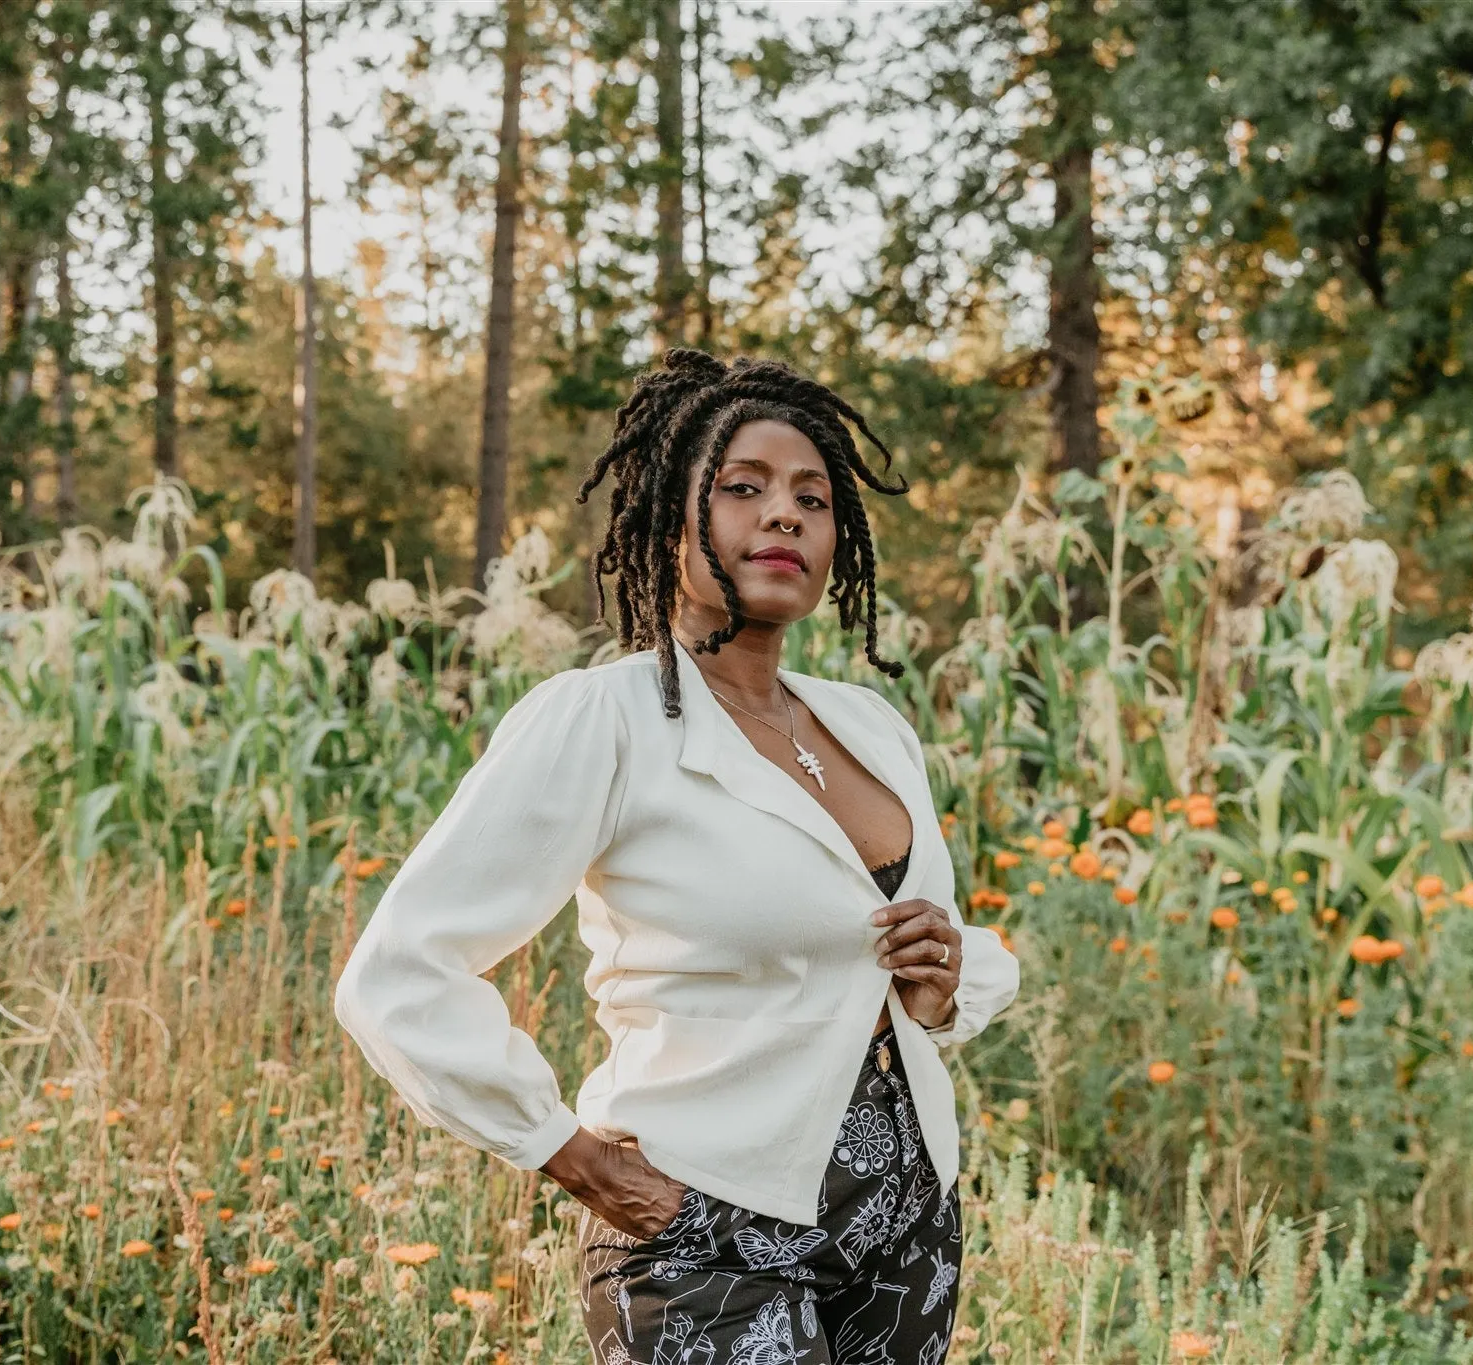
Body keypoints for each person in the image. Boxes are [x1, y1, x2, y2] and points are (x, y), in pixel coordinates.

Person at [334, 348, 1019, 1364]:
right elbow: (398, 973)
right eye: (742, 489)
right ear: (665, 521)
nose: (782, 515)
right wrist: (570, 1156)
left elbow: (936, 948)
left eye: (810, 497)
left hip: (904, 1226)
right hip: (703, 1226)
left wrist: (944, 983)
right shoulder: (602, 721)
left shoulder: (870, 728)